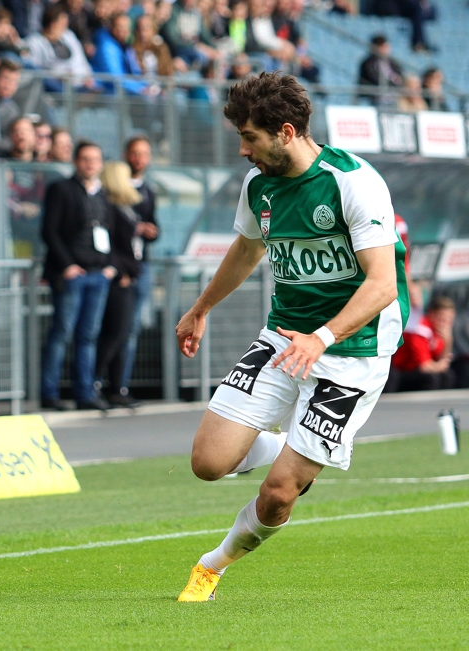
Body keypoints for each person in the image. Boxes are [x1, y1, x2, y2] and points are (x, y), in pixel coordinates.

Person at [175, 72, 408, 601]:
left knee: (279, 494)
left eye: (249, 137)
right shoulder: (258, 185)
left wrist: (322, 338)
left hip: (353, 350)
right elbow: (247, 249)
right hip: (285, 335)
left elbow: (382, 285)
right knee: (208, 464)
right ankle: (287, 445)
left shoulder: (353, 182)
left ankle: (213, 565)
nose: (242, 149)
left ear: (285, 131)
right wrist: (201, 308)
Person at [40, 141, 117, 412]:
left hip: (98, 275)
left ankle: (85, 393)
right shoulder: (61, 189)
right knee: (61, 333)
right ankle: (49, 393)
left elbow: (112, 233)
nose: (90, 164)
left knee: (88, 336)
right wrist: (67, 265)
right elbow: (49, 231)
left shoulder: (103, 194)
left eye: (95, 159)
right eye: (85, 159)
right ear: (75, 161)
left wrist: (110, 266)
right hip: (72, 275)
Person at [95, 162, 144, 408]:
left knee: (124, 333)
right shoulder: (111, 208)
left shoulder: (126, 207)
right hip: (120, 279)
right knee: (113, 333)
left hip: (130, 276)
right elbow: (111, 245)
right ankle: (97, 384)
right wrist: (121, 272)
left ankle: (117, 386)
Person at [119, 135, 159, 404]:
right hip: (120, 268)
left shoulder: (148, 190)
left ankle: (122, 385)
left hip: (141, 265)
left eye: (143, 154)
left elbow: (154, 228)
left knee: (131, 328)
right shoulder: (115, 187)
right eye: (134, 153)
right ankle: (106, 385)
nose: (139, 159)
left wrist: (150, 232)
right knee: (114, 329)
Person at [385, 296, 454, 392]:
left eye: (449, 320)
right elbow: (425, 367)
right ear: (431, 313)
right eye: (441, 318)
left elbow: (442, 360)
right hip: (402, 372)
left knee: (448, 376)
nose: (445, 323)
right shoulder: (420, 330)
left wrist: (448, 340)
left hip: (422, 369)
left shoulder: (439, 332)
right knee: (432, 378)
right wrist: (439, 366)